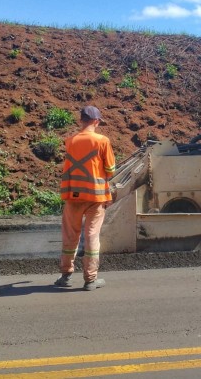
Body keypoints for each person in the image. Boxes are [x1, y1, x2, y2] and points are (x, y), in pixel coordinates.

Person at [55, 106, 116, 291]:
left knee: (70, 235)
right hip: (95, 198)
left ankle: (65, 275)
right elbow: (110, 170)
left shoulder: (70, 141)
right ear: (96, 121)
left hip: (73, 196)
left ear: (81, 120)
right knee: (91, 236)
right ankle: (90, 279)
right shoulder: (102, 141)